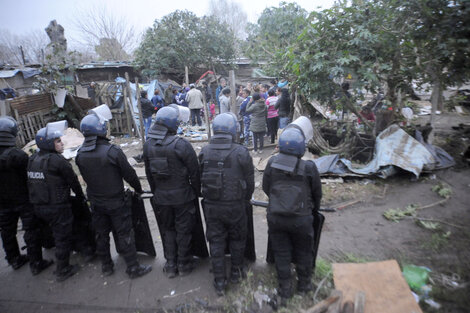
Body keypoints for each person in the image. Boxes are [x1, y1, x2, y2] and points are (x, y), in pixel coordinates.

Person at [76, 106, 152, 279]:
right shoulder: (112, 151)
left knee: (101, 234)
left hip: (96, 201)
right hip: (116, 201)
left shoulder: (80, 154)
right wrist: (138, 190)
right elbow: (130, 174)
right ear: (101, 129)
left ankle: (107, 266)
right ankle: (133, 268)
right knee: (124, 233)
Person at [262, 126, 322, 306]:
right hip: (302, 219)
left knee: (281, 253)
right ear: (301, 148)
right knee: (304, 251)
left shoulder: (271, 163)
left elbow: (266, 188)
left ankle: (285, 289)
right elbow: (317, 193)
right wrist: (312, 210)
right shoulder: (309, 167)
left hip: (276, 218)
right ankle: (304, 285)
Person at [199, 113, 254, 296]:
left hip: (212, 205)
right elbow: (250, 181)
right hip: (235, 205)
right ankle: (237, 273)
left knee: (216, 240)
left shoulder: (204, 151)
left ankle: (219, 281)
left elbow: (200, 177)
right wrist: (245, 200)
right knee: (238, 239)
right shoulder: (241, 152)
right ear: (233, 130)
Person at [143, 107, 201, 278]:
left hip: (162, 197)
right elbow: (195, 172)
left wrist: (157, 192)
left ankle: (170, 264)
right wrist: (196, 192)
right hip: (182, 197)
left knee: (168, 229)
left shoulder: (148, 145)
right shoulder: (181, 144)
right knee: (183, 230)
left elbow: (148, 174)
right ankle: (183, 264)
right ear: (171, 124)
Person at [27, 121, 86, 281]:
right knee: (62, 237)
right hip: (57, 207)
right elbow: (73, 181)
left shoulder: (33, 159)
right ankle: (63, 269)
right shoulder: (58, 161)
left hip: (38, 206)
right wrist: (81, 199)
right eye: (58, 141)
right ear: (48, 143)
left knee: (45, 233)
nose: (62, 143)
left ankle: (35, 264)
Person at [0, 117, 53, 275]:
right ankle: (36, 262)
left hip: (2, 202)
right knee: (31, 230)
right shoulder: (17, 155)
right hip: (23, 199)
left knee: (7, 230)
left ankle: (14, 259)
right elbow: (30, 177)